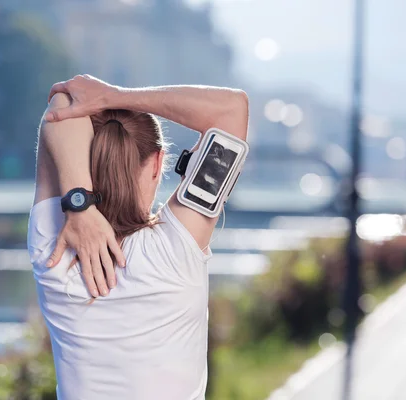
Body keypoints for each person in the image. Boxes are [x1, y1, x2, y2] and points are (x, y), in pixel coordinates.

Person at [27, 75, 249, 400]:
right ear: (158, 163)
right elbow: (232, 109)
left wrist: (79, 204)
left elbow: (60, 107)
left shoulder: (54, 252)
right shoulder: (177, 249)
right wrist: (114, 95)